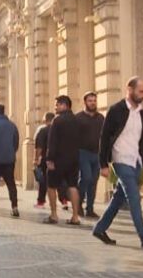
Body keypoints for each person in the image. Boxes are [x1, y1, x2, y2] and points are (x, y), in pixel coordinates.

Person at [93, 77, 143, 249]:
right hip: (121, 160)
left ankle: (100, 229)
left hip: (135, 161)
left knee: (118, 198)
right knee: (134, 198)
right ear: (129, 89)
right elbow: (104, 137)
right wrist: (103, 164)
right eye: (141, 91)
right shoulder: (116, 110)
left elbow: (142, 140)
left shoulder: (141, 112)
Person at [45, 95, 81, 225]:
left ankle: (54, 215)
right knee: (73, 186)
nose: (55, 107)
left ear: (65, 105)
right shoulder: (77, 120)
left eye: (57, 105)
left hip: (58, 160)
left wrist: (49, 159)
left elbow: (52, 142)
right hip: (74, 159)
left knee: (51, 186)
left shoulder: (57, 120)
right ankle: (75, 216)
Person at [77, 91, 104, 218]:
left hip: (96, 154)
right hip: (83, 153)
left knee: (93, 181)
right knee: (86, 178)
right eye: (90, 101)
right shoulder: (78, 118)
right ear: (85, 102)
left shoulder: (100, 118)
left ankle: (90, 209)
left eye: (94, 101)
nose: (93, 103)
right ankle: (78, 204)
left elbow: (105, 136)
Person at [34, 112, 55, 208]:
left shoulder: (43, 130)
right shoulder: (58, 130)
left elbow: (39, 147)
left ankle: (41, 201)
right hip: (58, 159)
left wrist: (35, 159)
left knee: (44, 181)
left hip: (46, 159)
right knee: (61, 181)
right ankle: (64, 201)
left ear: (46, 119)